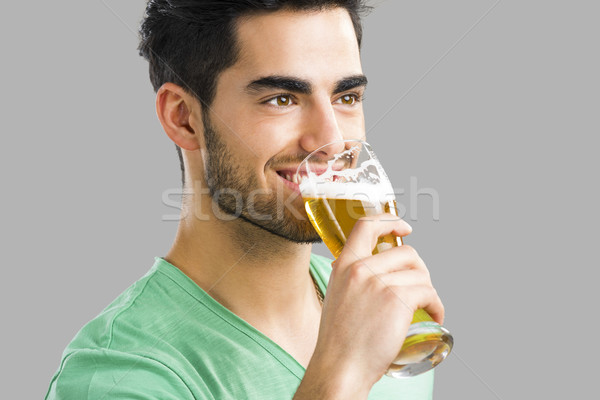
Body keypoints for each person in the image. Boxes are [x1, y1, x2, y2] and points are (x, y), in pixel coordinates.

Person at [45, 1, 445, 398]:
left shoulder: (386, 311)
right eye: (281, 99)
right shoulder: (117, 375)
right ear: (183, 117)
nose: (331, 141)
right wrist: (342, 376)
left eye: (347, 97)